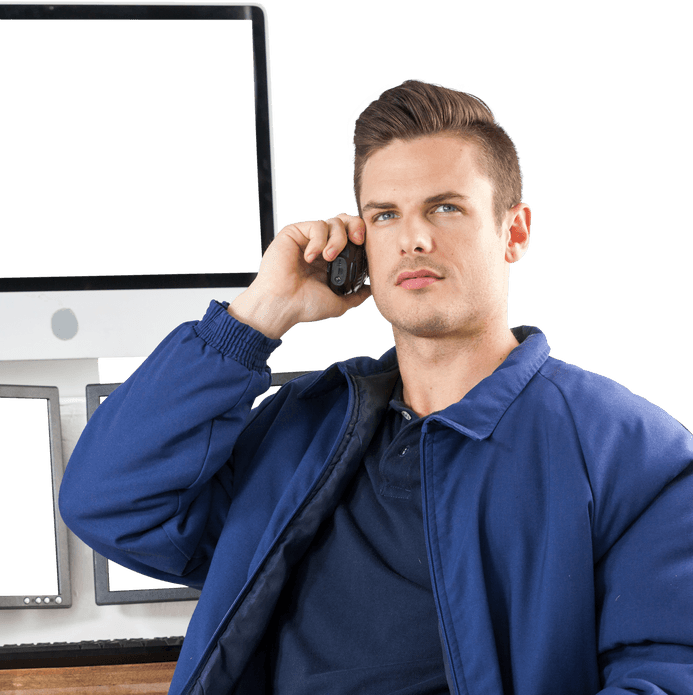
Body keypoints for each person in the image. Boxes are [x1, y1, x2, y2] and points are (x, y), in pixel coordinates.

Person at [58, 79, 693, 694]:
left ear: (514, 231)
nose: (414, 237)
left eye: (446, 207)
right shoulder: (304, 430)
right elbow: (109, 502)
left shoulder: (633, 454)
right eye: (385, 214)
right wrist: (260, 314)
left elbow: (670, 670)